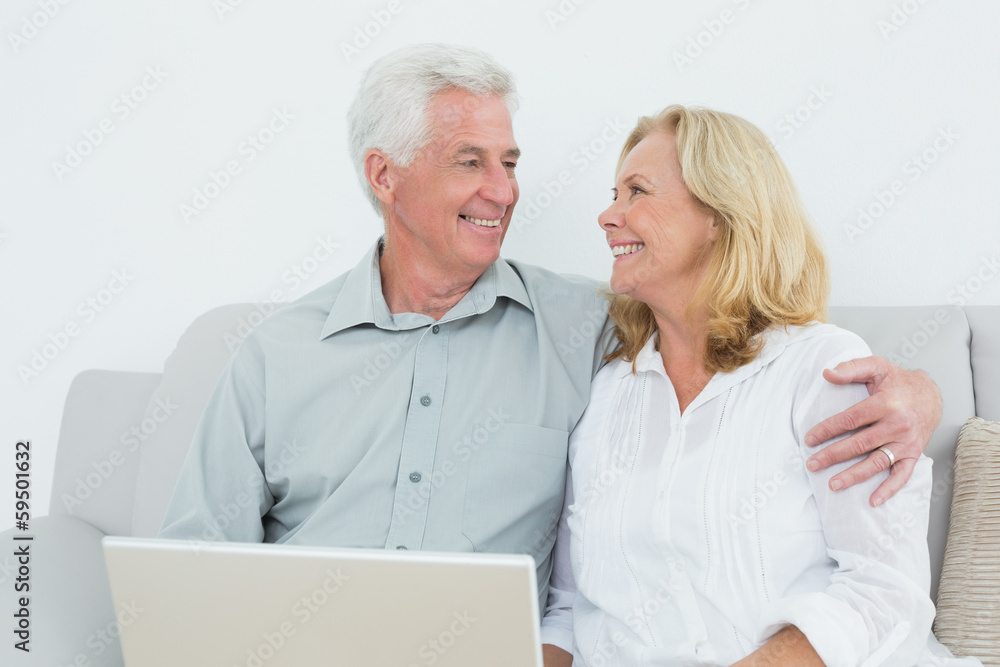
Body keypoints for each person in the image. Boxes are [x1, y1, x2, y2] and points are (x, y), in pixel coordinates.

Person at [157, 44, 943, 664]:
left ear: (721, 214)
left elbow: (748, 340)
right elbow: (190, 581)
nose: (505, 191)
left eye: (510, 163)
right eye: (471, 160)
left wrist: (920, 395)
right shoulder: (274, 355)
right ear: (384, 175)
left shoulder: (587, 332)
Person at [541, 106, 978, 666]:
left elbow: (883, 593)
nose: (607, 215)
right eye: (614, 193)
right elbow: (572, 606)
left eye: (637, 192)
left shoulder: (824, 371)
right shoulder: (606, 394)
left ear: (720, 215)